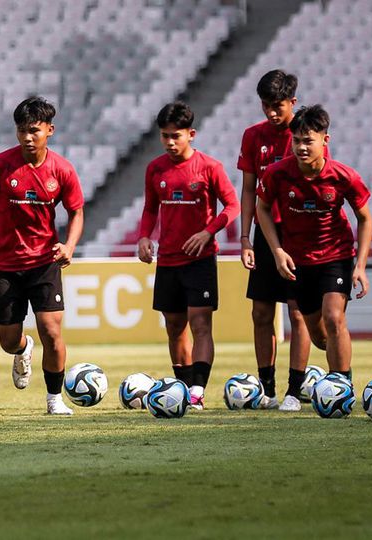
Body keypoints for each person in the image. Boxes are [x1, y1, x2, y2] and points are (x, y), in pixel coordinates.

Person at [0, 96, 84, 415]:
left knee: (52, 330)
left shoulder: (62, 169)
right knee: (8, 341)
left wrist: (69, 245)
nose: (27, 137)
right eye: (21, 130)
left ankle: (54, 400)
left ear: (50, 130)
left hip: (44, 263)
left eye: (34, 130)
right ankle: (23, 349)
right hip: (4, 265)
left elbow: (76, 211)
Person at [256, 104, 372, 392]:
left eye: (308, 141)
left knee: (334, 318)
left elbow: (365, 218)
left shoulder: (344, 176)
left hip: (336, 256)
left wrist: (361, 266)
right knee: (320, 336)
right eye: (297, 141)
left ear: (325, 141)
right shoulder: (277, 174)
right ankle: (330, 377)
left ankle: (341, 389)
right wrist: (277, 251)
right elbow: (262, 208)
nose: (301, 147)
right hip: (299, 262)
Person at [137, 101, 239, 410]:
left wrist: (208, 231)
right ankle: (180, 388)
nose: (170, 142)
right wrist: (144, 236)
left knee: (200, 324)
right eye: (165, 136)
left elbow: (232, 206)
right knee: (173, 326)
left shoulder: (209, 167)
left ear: (191, 134)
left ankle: (197, 390)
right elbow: (151, 208)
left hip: (200, 259)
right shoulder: (155, 169)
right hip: (168, 260)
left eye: (176, 136)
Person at [237, 70, 319, 411]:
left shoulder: (304, 136)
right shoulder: (253, 136)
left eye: (278, 105)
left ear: (293, 103)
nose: (271, 112)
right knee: (260, 312)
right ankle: (268, 390)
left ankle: (293, 390)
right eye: (266, 105)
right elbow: (246, 189)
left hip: (298, 232)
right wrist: (244, 238)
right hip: (264, 232)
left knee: (298, 313)